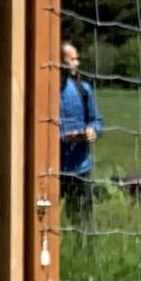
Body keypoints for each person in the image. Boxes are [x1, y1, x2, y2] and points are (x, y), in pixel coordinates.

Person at [60, 41, 103, 224]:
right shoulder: (44, 91)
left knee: (82, 222)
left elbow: (96, 120)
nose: (76, 63)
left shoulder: (84, 89)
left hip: (80, 167)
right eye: (71, 59)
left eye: (77, 59)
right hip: (52, 168)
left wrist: (93, 130)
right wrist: (63, 137)